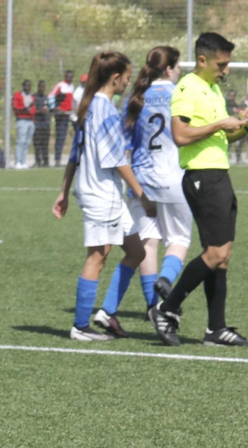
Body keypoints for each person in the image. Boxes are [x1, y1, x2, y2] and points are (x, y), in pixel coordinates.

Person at [149, 32, 248, 346]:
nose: (226, 70)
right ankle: (166, 307)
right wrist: (220, 124)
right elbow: (181, 134)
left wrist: (241, 127)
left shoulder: (212, 88)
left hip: (219, 175)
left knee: (223, 256)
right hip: (201, 177)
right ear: (202, 60)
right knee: (214, 253)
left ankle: (215, 329)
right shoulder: (186, 88)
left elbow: (221, 138)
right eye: (222, 63)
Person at [51, 51, 153, 342]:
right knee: (98, 256)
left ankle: (105, 313)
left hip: (100, 192)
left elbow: (75, 154)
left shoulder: (90, 106)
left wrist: (64, 191)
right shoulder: (104, 109)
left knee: (137, 251)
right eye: (127, 78)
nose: (128, 83)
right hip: (101, 193)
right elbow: (117, 159)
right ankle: (80, 326)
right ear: (115, 78)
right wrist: (141, 194)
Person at [96, 46, 188, 321]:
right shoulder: (179, 94)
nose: (180, 71)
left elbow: (126, 141)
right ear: (169, 69)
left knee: (149, 242)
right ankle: (166, 281)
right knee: (179, 239)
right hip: (172, 179)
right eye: (178, 66)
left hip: (141, 181)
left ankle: (152, 307)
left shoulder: (136, 98)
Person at [51, 69, 76, 164]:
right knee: (60, 137)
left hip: (69, 115)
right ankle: (57, 159)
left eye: (71, 76)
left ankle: (60, 158)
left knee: (64, 137)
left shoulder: (72, 86)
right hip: (61, 115)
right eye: (67, 76)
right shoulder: (60, 85)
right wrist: (57, 108)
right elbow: (51, 96)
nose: (69, 78)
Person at [13, 78, 36, 167]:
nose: (27, 87)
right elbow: (16, 108)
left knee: (27, 142)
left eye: (29, 86)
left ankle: (23, 161)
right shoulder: (18, 95)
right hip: (22, 119)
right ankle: (18, 161)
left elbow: (33, 108)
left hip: (30, 120)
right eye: (26, 86)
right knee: (21, 141)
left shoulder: (32, 96)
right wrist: (26, 108)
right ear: (23, 86)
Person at [33, 79, 52, 167]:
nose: (42, 89)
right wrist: (40, 111)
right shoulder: (34, 97)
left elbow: (50, 109)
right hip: (37, 124)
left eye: (43, 87)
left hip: (45, 124)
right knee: (37, 144)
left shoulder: (46, 98)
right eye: (40, 87)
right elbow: (32, 110)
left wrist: (48, 112)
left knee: (45, 144)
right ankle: (38, 161)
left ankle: (46, 161)